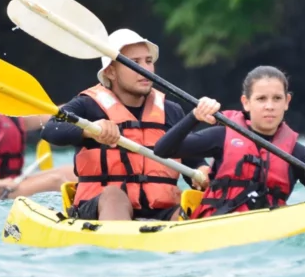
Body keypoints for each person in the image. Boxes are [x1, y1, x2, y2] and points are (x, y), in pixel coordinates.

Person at [40, 28, 210, 221]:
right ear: (111, 71)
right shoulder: (88, 105)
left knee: (195, 209)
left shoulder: (172, 111)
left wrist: (203, 172)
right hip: (99, 208)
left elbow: (193, 162)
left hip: (161, 211)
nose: (144, 69)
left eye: (148, 61)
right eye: (134, 63)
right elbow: (51, 129)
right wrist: (89, 130)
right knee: (114, 195)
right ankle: (117, 242)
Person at [152, 65, 305, 218]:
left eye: (277, 98)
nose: (269, 106)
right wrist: (194, 116)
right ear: (246, 102)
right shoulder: (222, 136)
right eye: (261, 99)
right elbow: (162, 150)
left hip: (269, 231)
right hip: (217, 225)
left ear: (287, 101)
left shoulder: (297, 154)